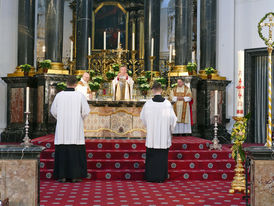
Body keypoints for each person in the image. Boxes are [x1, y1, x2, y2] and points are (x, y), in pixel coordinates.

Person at [51, 75, 90, 183]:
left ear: (66, 83)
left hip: (62, 129)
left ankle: (62, 175)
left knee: (62, 150)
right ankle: (75, 176)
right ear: (76, 84)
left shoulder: (59, 96)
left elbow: (53, 111)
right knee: (75, 152)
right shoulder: (80, 96)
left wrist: (62, 119)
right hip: (75, 129)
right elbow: (86, 111)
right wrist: (79, 119)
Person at [140, 81, 177, 182]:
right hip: (163, 137)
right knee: (162, 157)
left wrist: (150, 126)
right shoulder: (167, 104)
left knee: (151, 156)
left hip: (152, 136)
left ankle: (150, 177)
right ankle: (161, 177)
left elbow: (142, 118)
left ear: (152, 90)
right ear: (161, 90)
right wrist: (170, 131)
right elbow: (173, 120)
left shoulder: (148, 104)